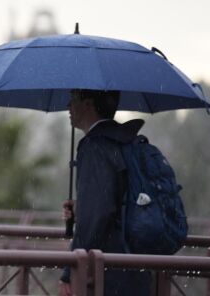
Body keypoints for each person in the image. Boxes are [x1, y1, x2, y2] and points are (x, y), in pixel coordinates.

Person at [58, 89, 150, 296]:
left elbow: (97, 215)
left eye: (73, 100)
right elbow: (116, 201)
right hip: (136, 266)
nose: (68, 106)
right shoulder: (126, 140)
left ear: (88, 104)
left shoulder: (95, 146)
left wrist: (68, 272)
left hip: (106, 274)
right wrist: (82, 207)